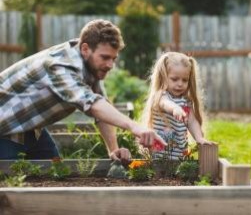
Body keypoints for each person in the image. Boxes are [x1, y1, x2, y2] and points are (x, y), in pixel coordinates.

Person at [0, 19, 166, 160]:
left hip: (29, 128)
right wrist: (134, 126)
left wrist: (113, 150)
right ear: (85, 49)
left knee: (56, 173)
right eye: (105, 57)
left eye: (113, 58)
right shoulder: (60, 67)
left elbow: (101, 107)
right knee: (9, 183)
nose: (110, 65)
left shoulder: (88, 65)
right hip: (5, 130)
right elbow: (92, 104)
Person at [142, 52, 213, 160]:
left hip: (179, 156)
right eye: (174, 79)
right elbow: (165, 104)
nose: (180, 84)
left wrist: (199, 138)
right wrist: (175, 108)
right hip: (159, 156)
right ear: (163, 77)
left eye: (184, 80)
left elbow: (192, 122)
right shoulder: (160, 95)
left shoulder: (185, 102)